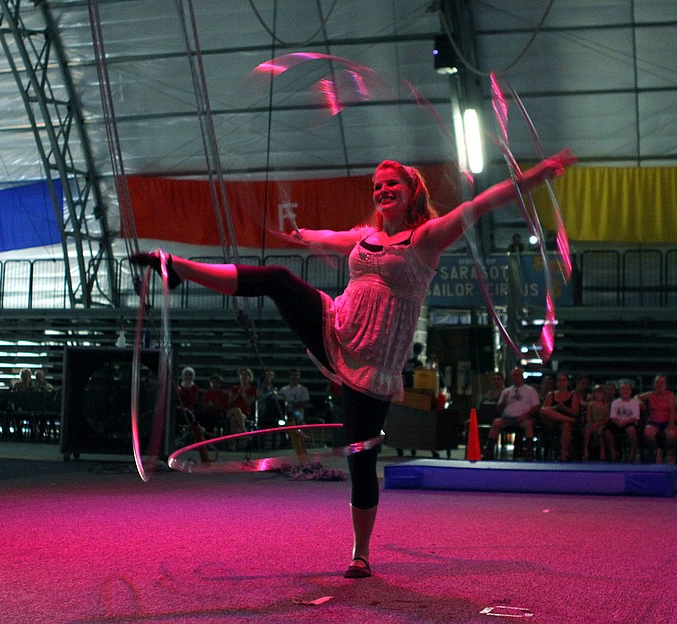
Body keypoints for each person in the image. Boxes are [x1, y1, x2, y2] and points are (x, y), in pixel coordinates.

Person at [130, 148, 575, 578]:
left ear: (411, 190)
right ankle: (176, 266)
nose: (382, 190)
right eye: (377, 186)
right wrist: (305, 236)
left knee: (360, 458)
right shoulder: (366, 236)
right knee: (278, 279)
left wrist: (538, 176)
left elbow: (482, 202)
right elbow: (330, 237)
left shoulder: (427, 237)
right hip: (335, 327)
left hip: (374, 362)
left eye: (391, 184)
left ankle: (361, 554)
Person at [483, 366, 540, 461]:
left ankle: (529, 451)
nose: (515, 378)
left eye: (517, 375)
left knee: (528, 424)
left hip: (523, 418)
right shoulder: (507, 391)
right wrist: (504, 402)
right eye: (513, 376)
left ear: (522, 377)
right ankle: (489, 451)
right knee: (496, 423)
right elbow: (499, 409)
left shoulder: (530, 391)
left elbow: (536, 407)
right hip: (507, 418)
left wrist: (525, 415)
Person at [638, 375, 677, 464]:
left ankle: (669, 453)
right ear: (654, 384)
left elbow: (672, 409)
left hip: (668, 420)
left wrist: (671, 423)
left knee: (671, 434)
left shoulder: (670, 394)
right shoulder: (650, 394)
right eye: (657, 382)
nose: (659, 384)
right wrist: (641, 402)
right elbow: (636, 397)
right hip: (654, 421)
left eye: (662, 382)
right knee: (648, 433)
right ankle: (657, 451)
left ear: (666, 385)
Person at [540, 372, 579, 461]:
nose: (562, 382)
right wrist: (556, 407)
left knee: (566, 425)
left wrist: (564, 408)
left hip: (566, 422)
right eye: (560, 380)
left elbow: (575, 412)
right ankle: (569, 420)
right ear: (557, 382)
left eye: (564, 380)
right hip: (552, 421)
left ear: (568, 382)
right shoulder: (551, 394)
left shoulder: (573, 395)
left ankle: (563, 455)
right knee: (543, 410)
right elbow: (545, 410)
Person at [605, 380, 641, 463]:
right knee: (607, 431)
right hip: (617, 422)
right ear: (620, 391)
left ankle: (631, 456)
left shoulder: (634, 403)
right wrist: (618, 422)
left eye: (628, 389)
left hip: (630, 422)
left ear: (631, 391)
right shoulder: (615, 402)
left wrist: (625, 422)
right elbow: (613, 416)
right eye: (623, 389)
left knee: (631, 430)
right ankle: (613, 453)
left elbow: (635, 417)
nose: (626, 391)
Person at [227, 367, 257, 449]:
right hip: (231, 411)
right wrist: (237, 394)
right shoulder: (234, 388)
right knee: (237, 410)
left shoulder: (252, 389)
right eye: (242, 375)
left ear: (249, 377)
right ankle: (243, 431)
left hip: (244, 412)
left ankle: (232, 444)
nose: (243, 377)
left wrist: (242, 394)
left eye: (246, 375)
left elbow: (249, 403)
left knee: (234, 419)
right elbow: (229, 401)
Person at [583, 384, 610, 460]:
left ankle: (602, 451)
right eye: (597, 393)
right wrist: (592, 424)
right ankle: (585, 450)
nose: (599, 395)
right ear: (594, 394)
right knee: (587, 431)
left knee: (601, 431)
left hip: (602, 424)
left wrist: (599, 423)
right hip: (591, 423)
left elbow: (607, 417)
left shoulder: (606, 405)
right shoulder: (590, 404)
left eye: (601, 393)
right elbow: (588, 416)